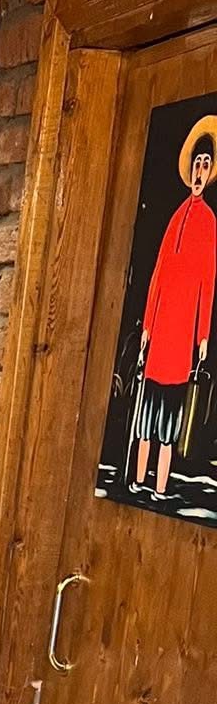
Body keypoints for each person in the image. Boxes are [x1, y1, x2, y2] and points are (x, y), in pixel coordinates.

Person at [132, 118, 217, 500]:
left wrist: (202, 335)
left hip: (182, 337)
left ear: (210, 173)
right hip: (161, 332)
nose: (199, 171)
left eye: (205, 164)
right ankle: (138, 480)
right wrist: (148, 326)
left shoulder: (209, 222)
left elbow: (208, 281)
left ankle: (160, 486)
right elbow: (157, 274)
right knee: (145, 417)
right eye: (196, 163)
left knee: (168, 421)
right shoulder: (175, 217)